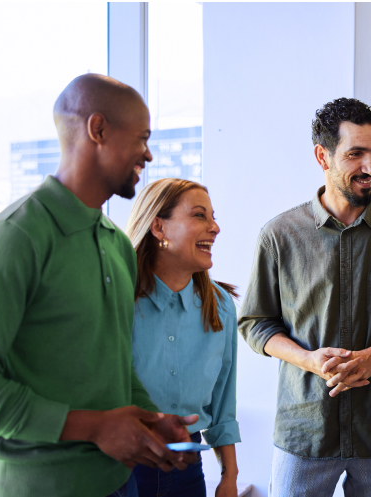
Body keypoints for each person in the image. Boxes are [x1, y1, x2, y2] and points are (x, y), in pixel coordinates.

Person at [0, 74, 197, 497]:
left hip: (117, 482)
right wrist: (94, 427)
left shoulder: (116, 244)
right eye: (142, 138)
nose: (147, 154)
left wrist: (150, 419)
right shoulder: (12, 240)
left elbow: (114, 362)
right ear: (98, 130)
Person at [237, 97, 371, 496]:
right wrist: (307, 360)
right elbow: (256, 322)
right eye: (356, 154)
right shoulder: (280, 235)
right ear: (322, 156)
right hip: (307, 425)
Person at [126, 178, 241, 497]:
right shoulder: (118, 299)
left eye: (213, 216)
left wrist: (229, 476)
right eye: (200, 215)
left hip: (188, 468)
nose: (215, 227)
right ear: (158, 227)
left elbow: (223, 402)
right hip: (122, 467)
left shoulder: (220, 305)